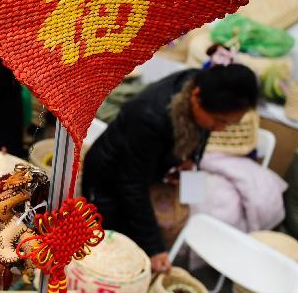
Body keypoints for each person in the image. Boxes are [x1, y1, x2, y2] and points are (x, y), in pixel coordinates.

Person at [82, 63, 259, 273]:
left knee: (146, 234)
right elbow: (132, 185)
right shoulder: (149, 116)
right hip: (106, 177)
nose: (221, 129)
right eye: (219, 121)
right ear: (196, 97)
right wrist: (155, 248)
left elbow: (202, 133)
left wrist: (189, 159)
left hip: (144, 168)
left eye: (230, 123)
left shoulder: (200, 81)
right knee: (112, 246)